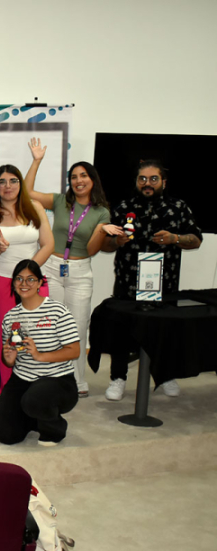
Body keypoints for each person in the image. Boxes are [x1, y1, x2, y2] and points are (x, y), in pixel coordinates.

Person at [24, 138, 123, 397]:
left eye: (84, 175)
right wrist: (36, 161)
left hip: (79, 272)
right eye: (74, 176)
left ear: (92, 179)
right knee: (49, 324)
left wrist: (101, 230)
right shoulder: (60, 201)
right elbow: (27, 192)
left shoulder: (101, 212)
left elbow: (91, 250)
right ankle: (49, 375)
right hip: (51, 267)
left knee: (77, 327)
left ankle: (77, 381)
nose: (78, 180)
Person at [101, 159, 202, 400]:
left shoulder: (178, 207)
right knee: (122, 332)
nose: (147, 183)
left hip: (164, 284)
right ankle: (118, 378)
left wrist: (175, 238)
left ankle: (165, 376)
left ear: (163, 182)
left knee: (164, 332)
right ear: (136, 182)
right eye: (142, 179)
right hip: (128, 282)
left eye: (153, 179)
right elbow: (104, 245)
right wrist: (117, 242)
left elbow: (196, 239)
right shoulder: (123, 207)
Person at [0, 260, 81, 446]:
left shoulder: (58, 310)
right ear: (13, 283)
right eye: (19, 279)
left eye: (31, 279)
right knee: (4, 435)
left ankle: (55, 428)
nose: (24, 284)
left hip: (57, 380)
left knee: (35, 400)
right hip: (22, 379)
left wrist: (40, 355)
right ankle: (34, 417)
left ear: (41, 282)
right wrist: (8, 358)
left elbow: (74, 351)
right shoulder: (10, 317)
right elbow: (9, 362)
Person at [0, 165, 54, 390]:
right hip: (1, 280)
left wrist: (28, 274)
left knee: (38, 335)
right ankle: (6, 391)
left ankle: (37, 389)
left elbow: (48, 244)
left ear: (20, 184)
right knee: (6, 338)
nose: (7, 186)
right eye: (2, 182)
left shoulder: (34, 207)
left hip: (33, 281)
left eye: (13, 181)